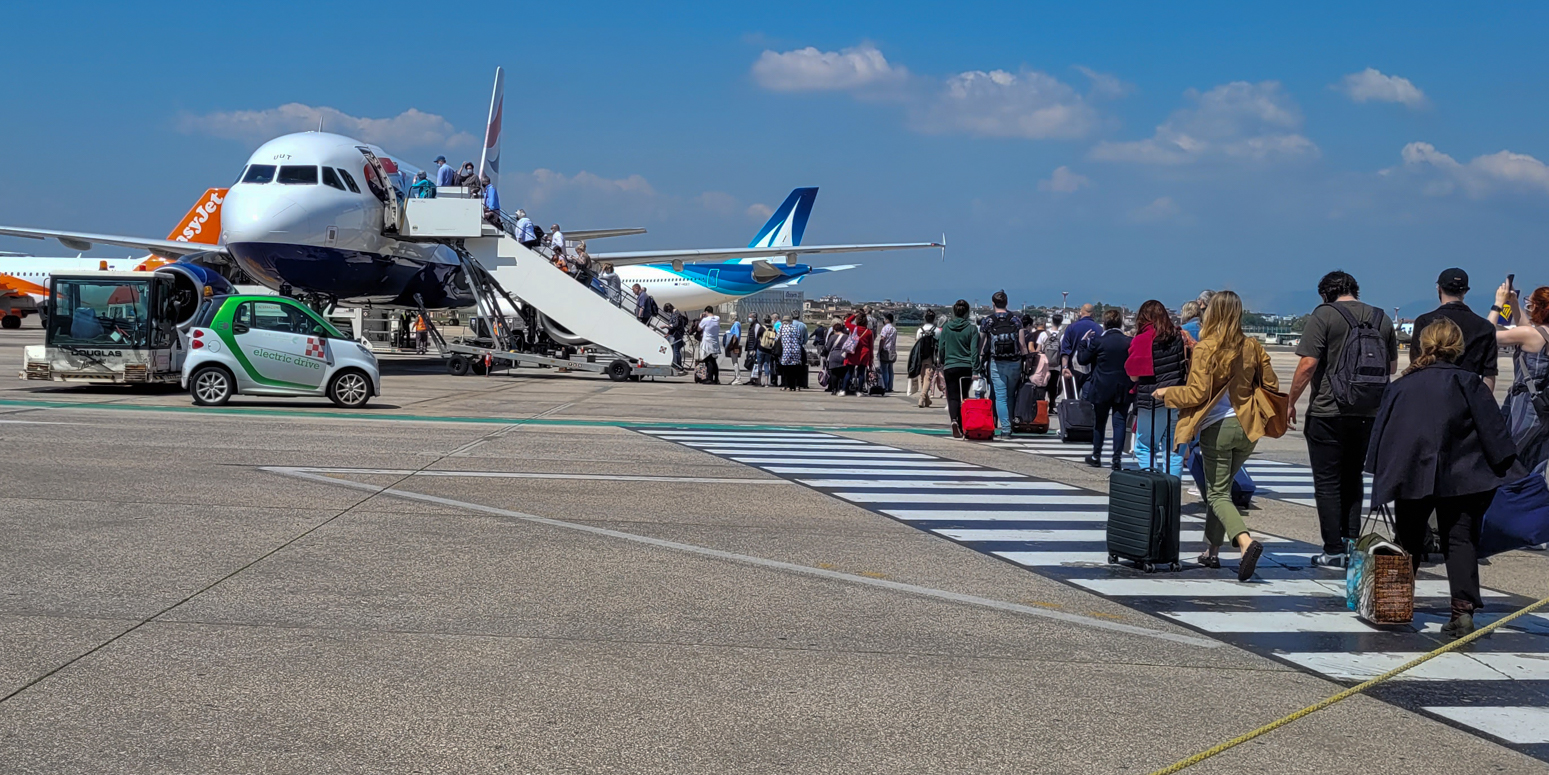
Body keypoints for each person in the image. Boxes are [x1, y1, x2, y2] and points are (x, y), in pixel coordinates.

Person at [1366, 318, 1520, 638]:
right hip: (1462, 475)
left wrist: (1381, 472)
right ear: (1457, 347)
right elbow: (1494, 431)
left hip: (1411, 471)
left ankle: (1396, 604)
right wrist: (1508, 467)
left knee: (1408, 539)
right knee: (1460, 540)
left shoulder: (1401, 385)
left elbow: (1383, 434)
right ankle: (1462, 612)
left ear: (1423, 345)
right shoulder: (1469, 382)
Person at [1155, 290, 1277, 581]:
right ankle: (1212, 550)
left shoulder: (1206, 347)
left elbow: (1196, 393)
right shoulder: (1252, 346)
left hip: (1218, 428)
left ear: (1212, 313)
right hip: (1248, 428)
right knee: (1219, 488)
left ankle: (1245, 542)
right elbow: (1271, 384)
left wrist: (1166, 393)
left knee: (1218, 493)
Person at [1286, 271, 1399, 568]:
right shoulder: (1381, 318)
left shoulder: (1324, 315)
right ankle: (1351, 543)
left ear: (1325, 294)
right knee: (1353, 478)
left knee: (1327, 482)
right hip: (1368, 413)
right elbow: (1391, 367)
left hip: (1329, 410)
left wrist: (1291, 401)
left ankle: (1332, 549)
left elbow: (1308, 364)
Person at [1492, 283, 1549, 472]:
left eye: (1530, 304)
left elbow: (1486, 334)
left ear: (1539, 307)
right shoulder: (1537, 334)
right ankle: (1535, 490)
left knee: (1512, 459)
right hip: (1544, 404)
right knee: (1537, 459)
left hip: (1527, 405)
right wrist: (1514, 304)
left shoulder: (1530, 335)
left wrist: (1499, 304)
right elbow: (1527, 329)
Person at [1411, 268, 1498, 391]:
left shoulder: (1424, 322)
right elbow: (1489, 374)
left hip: (1431, 390)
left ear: (1439, 289)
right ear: (1465, 291)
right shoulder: (1485, 327)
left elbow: (1415, 364)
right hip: (1468, 393)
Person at [1127, 299, 1187, 475]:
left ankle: (1153, 485)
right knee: (1173, 449)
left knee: (1146, 446)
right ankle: (1172, 487)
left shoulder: (1142, 339)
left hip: (1152, 400)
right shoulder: (1178, 336)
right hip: (1177, 396)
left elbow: (1134, 375)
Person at [1077, 308, 1133, 469]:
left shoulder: (1099, 341)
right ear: (1120, 323)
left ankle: (1096, 455)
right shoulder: (1128, 341)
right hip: (1123, 386)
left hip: (1102, 386)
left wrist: (1083, 343)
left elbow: (1082, 360)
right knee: (1119, 422)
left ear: (1105, 323)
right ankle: (1117, 459)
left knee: (1100, 422)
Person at [980, 291, 1024, 438]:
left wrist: (980, 359)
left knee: (1000, 396)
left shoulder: (988, 321)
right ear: (1007, 302)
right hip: (1014, 362)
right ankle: (1010, 423)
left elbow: (981, 344)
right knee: (1011, 394)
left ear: (993, 303)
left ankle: (1005, 428)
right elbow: (1022, 344)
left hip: (997, 362)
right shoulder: (1016, 320)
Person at [937, 300, 980, 438]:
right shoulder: (972, 329)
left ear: (954, 312)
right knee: (964, 395)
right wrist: (976, 369)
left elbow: (941, 347)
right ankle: (964, 423)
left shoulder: (947, 328)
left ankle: (954, 421)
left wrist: (942, 361)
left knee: (953, 396)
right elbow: (975, 351)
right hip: (966, 366)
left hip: (950, 365)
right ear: (967, 313)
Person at [1060, 304, 1101, 394]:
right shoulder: (1099, 329)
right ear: (1093, 314)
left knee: (1072, 398)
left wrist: (1064, 367)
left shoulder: (1071, 328)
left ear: (1080, 313)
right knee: (1088, 399)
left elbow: (1066, 349)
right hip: (1092, 370)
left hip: (1073, 369)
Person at [909, 310, 940, 408]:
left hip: (920, 357)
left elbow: (916, 344)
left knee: (923, 378)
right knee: (928, 377)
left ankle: (926, 400)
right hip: (931, 357)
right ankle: (923, 397)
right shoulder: (937, 331)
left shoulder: (920, 330)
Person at [1039, 313, 1065, 408]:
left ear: (1051, 321)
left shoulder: (1044, 334)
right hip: (1056, 366)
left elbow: (1039, 349)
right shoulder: (1062, 335)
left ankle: (1042, 406)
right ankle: (1052, 405)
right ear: (1061, 322)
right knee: (1053, 386)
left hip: (1044, 365)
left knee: (1043, 385)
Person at [843, 316, 873, 396]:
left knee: (849, 372)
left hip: (854, 351)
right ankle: (859, 391)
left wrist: (854, 315)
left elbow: (847, 322)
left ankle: (843, 389)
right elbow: (871, 346)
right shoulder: (869, 332)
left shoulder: (854, 328)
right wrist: (871, 358)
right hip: (864, 353)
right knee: (861, 373)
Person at [780, 313, 808, 390]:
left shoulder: (782, 328)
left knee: (786, 368)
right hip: (796, 350)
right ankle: (796, 385)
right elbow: (801, 338)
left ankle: (787, 386)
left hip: (786, 350)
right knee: (795, 368)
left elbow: (777, 338)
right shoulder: (796, 328)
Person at [825, 321, 851, 396]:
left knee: (834, 374)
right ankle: (843, 389)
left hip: (833, 356)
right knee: (843, 374)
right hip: (843, 356)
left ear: (834, 329)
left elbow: (828, 348)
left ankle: (834, 389)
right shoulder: (846, 337)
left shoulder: (832, 337)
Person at [697, 308, 721, 383]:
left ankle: (709, 378)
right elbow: (713, 317)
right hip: (715, 342)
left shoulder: (705, 320)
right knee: (713, 360)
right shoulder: (717, 319)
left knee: (708, 360)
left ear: (706, 312)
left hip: (707, 342)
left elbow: (698, 329)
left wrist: (701, 318)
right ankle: (716, 378)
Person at [877, 313, 898, 393]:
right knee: (890, 369)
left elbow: (883, 339)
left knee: (884, 369)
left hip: (885, 350)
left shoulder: (885, 328)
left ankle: (885, 386)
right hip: (892, 351)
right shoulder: (894, 329)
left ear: (887, 320)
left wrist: (879, 350)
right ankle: (890, 386)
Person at [664, 302, 687, 369]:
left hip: (677, 334)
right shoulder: (676, 313)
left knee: (676, 350)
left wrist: (666, 326)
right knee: (675, 349)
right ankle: (677, 364)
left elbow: (675, 325)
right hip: (677, 333)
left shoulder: (675, 314)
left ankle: (678, 365)